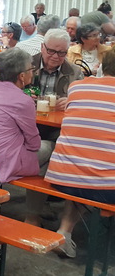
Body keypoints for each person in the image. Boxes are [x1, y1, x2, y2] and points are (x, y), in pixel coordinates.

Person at [44, 50, 115, 258]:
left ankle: (64, 233)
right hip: (104, 187)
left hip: (62, 177)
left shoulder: (77, 87)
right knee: (95, 169)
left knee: (84, 163)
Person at [0, 48, 40, 184]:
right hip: (2, 160)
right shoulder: (23, 101)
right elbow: (34, 143)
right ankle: (36, 195)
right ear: (22, 76)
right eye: (31, 69)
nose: (33, 72)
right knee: (49, 148)